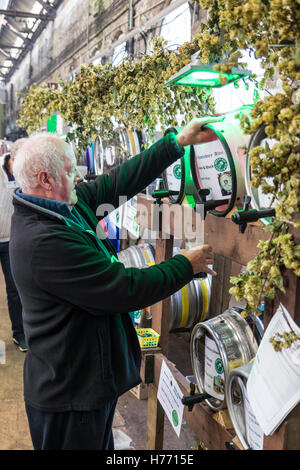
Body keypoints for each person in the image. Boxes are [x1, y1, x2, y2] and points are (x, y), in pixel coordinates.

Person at [10, 119, 217, 450]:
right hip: (70, 397)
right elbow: (124, 289)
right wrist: (184, 265)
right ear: (45, 180)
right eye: (69, 169)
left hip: (85, 384)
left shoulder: (63, 207)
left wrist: (175, 143)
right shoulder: (43, 242)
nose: (79, 175)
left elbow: (117, 181)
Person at [0, 140, 28, 352]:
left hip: (11, 240)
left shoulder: (24, 177)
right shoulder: (2, 171)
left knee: (15, 291)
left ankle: (20, 335)